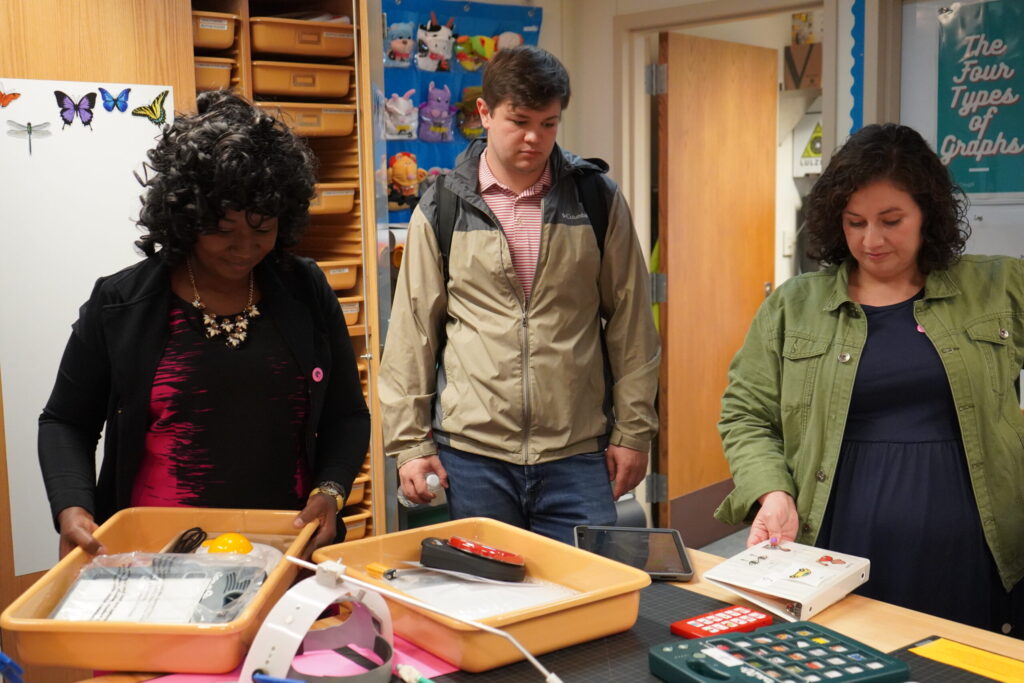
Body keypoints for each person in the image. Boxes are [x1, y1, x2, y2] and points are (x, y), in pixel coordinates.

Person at [715, 123, 1023, 636]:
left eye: (891, 220)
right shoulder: (795, 305)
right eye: (855, 222)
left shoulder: (998, 286)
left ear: (929, 214)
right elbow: (745, 413)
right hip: (833, 537)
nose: (871, 240)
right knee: (842, 658)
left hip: (972, 543)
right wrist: (770, 491)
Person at [38, 90, 370, 557]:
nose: (245, 248)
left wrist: (331, 490)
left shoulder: (304, 290)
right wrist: (71, 505)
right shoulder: (121, 304)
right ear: (186, 218)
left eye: (262, 228)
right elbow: (65, 421)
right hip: (153, 554)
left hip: (281, 549)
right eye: (223, 229)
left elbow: (347, 415)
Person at [378, 46, 661, 545]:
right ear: (484, 113)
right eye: (520, 121)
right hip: (474, 456)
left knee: (583, 604)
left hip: (576, 452)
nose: (535, 138)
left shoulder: (597, 199)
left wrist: (634, 432)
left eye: (549, 124)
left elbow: (631, 324)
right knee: (490, 603)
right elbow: (412, 333)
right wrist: (410, 443)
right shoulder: (441, 206)